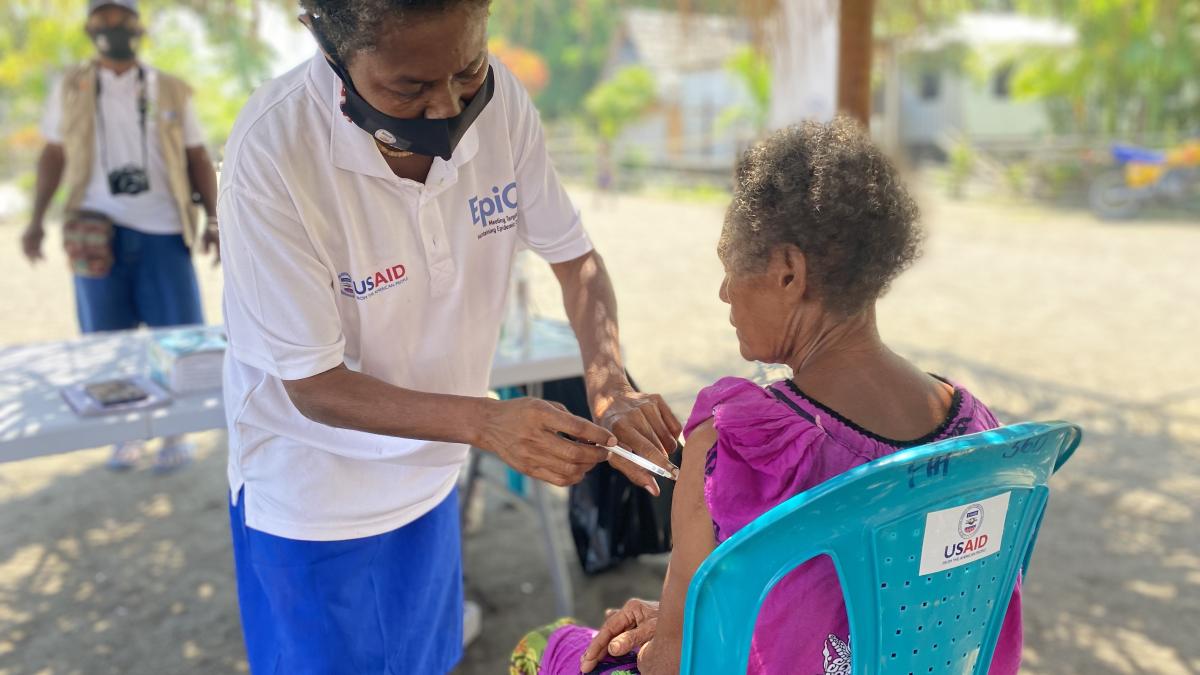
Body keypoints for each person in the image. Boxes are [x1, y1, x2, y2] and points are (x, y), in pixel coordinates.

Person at [217, 1, 681, 673]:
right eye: (410, 87)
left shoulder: (503, 108)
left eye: (468, 70)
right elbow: (313, 385)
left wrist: (609, 384)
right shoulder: (274, 150)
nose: (446, 109)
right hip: (314, 504)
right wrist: (488, 423)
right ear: (332, 52)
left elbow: (575, 259)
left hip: (430, 479)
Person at [511, 118, 1023, 675]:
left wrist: (660, 636)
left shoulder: (738, 444)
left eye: (731, 265)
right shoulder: (978, 433)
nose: (725, 291)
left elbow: (676, 665)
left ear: (787, 273)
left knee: (547, 645)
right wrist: (692, 613)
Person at [20, 0, 220, 473]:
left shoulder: (170, 89)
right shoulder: (69, 88)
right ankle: (126, 434)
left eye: (123, 20)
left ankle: (175, 434)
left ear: (139, 27)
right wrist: (35, 220)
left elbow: (196, 156)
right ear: (90, 28)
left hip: (163, 229)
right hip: (95, 229)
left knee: (177, 335)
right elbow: (53, 154)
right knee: (104, 341)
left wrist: (213, 219)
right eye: (103, 21)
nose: (113, 29)